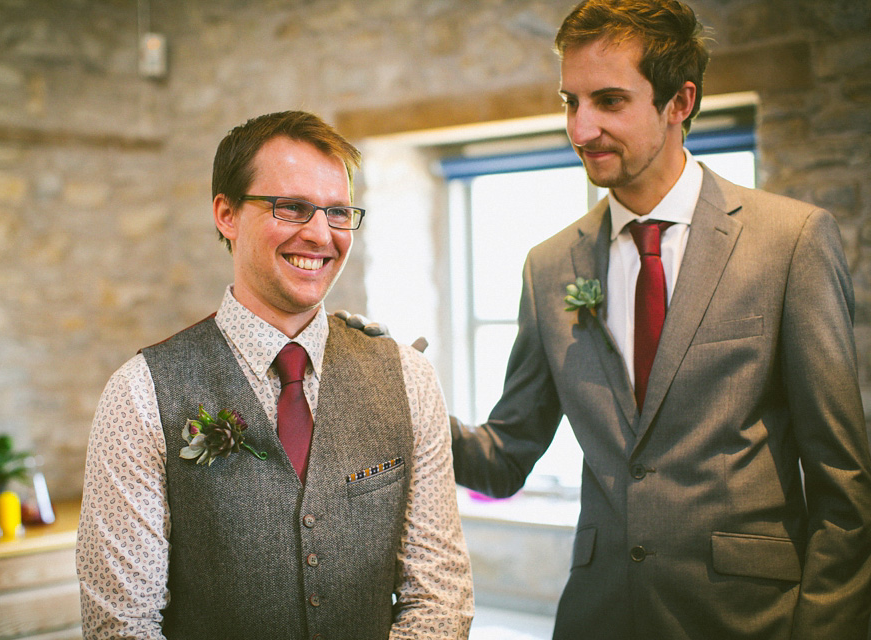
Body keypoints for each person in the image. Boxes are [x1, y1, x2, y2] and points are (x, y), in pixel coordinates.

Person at [449, 1, 871, 638]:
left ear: (681, 102)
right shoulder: (549, 265)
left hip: (749, 618)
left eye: (609, 101)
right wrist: (404, 398)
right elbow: (506, 457)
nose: (581, 128)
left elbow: (845, 486)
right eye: (571, 101)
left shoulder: (790, 241)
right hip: (599, 617)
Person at [76, 110, 473, 639]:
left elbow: (440, 594)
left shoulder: (408, 377)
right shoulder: (140, 394)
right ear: (226, 214)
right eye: (292, 208)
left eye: (337, 212)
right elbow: (121, 626)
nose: (320, 234)